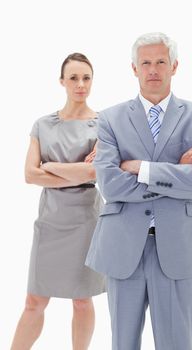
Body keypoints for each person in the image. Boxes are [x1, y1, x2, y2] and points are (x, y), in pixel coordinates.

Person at [86, 32, 192, 350]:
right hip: (123, 247)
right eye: (145, 63)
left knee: (178, 344)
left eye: (161, 62)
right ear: (134, 69)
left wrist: (141, 168)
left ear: (174, 66)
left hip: (180, 247)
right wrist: (178, 172)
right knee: (123, 343)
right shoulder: (110, 118)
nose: (153, 70)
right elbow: (110, 184)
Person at [10, 53, 105, 350]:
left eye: (86, 78)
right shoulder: (42, 125)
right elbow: (29, 174)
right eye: (74, 78)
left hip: (85, 219)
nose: (80, 84)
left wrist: (49, 166)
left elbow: (94, 172)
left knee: (81, 298)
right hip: (50, 220)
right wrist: (74, 173)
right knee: (34, 299)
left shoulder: (104, 125)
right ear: (62, 81)